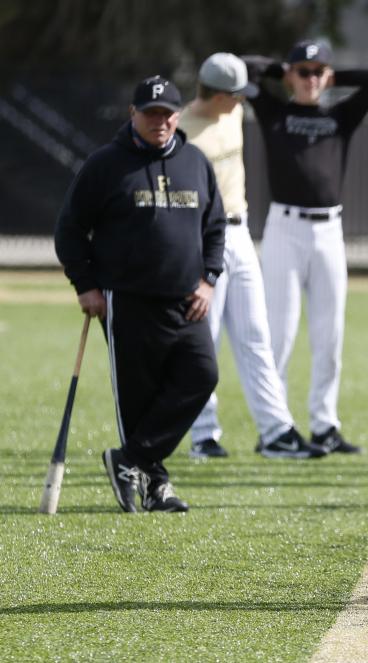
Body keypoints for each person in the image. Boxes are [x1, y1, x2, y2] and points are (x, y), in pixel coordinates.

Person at [54, 75, 226, 512]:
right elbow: (70, 229)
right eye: (150, 114)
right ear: (133, 115)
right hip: (127, 301)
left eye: (167, 113)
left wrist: (209, 278)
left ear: (178, 115)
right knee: (139, 399)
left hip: (187, 301)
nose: (160, 121)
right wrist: (86, 285)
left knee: (201, 376)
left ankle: (129, 460)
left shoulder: (195, 162)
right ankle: (156, 487)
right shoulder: (105, 164)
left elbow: (215, 227)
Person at [244, 39, 368, 455]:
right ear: (289, 75)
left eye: (316, 72)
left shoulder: (338, 115)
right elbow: (242, 66)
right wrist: (284, 68)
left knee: (329, 335)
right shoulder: (274, 110)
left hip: (329, 231)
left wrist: (331, 75)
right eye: (302, 72)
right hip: (284, 229)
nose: (310, 79)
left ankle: (325, 425)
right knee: (281, 333)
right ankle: (276, 426)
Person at [179, 53, 317, 459]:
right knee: (208, 340)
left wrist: (257, 65)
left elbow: (259, 68)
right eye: (236, 95)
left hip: (240, 234)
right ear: (219, 94)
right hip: (204, 239)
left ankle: (276, 431)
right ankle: (204, 436)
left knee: (257, 335)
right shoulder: (183, 129)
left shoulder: (232, 113)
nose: (243, 102)